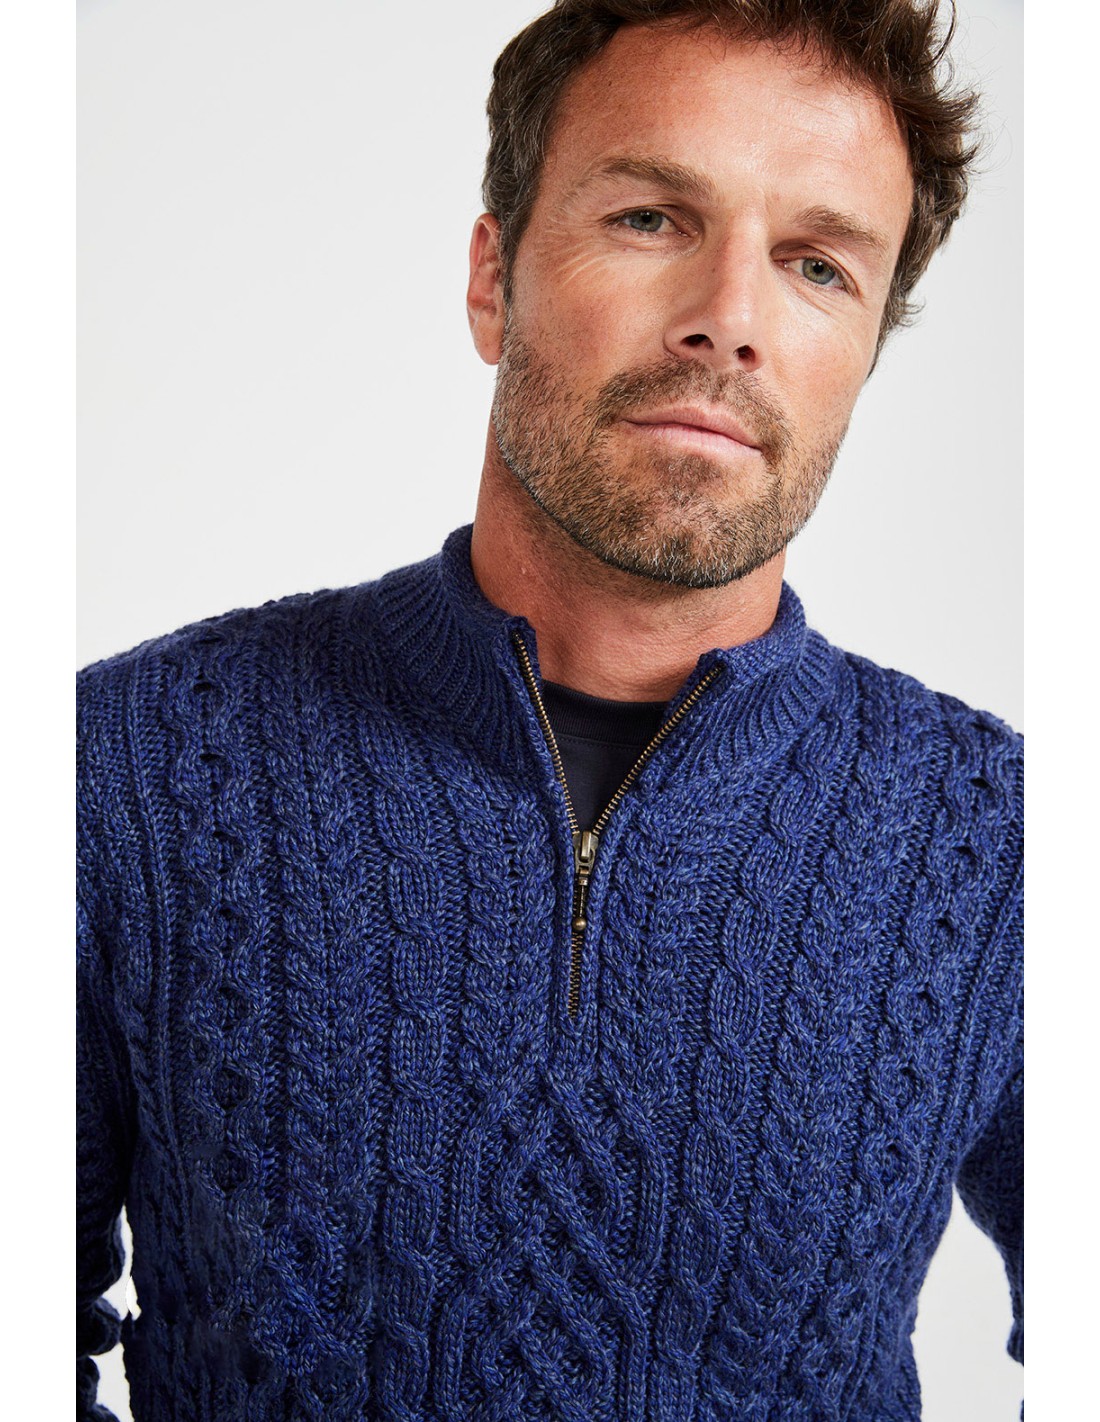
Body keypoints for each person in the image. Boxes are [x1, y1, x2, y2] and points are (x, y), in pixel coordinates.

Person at [76, 1, 1022, 1418]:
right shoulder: (125, 767)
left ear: (868, 348)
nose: (730, 319)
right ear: (492, 277)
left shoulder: (1003, 846)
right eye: (650, 218)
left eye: (818, 264)